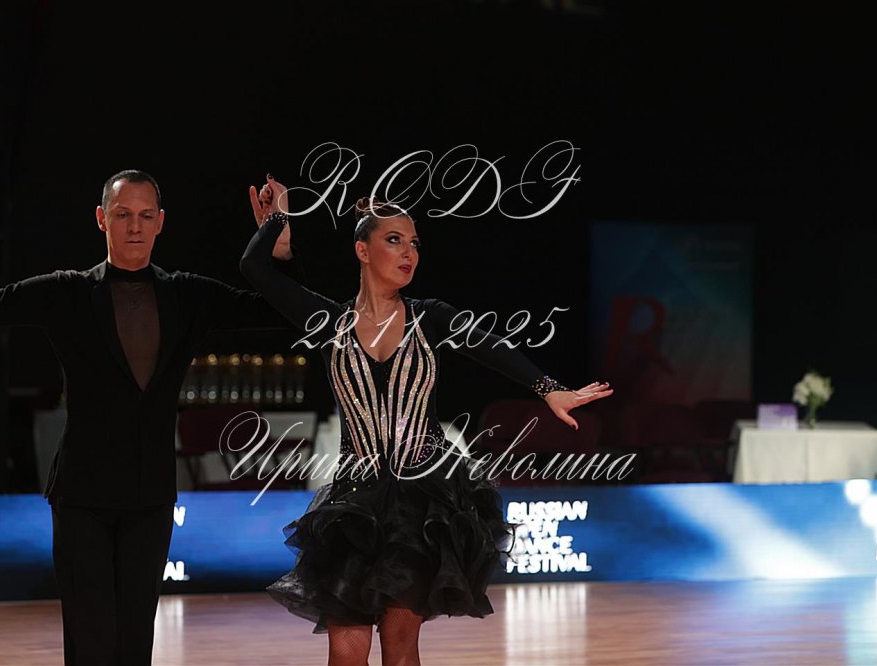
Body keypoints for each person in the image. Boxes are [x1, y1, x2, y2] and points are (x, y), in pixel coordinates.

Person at [0, 170, 298, 666]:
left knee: (134, 643)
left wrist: (277, 245)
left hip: (150, 497)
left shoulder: (187, 295)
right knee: (90, 641)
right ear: (102, 219)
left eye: (145, 216)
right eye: (123, 215)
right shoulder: (66, 292)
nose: (134, 226)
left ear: (161, 222)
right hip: (82, 497)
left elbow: (283, 313)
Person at [240, 175, 613, 666]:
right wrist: (278, 223)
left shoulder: (430, 317)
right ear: (362, 250)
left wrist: (547, 389)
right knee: (346, 654)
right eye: (394, 240)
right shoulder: (329, 323)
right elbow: (254, 269)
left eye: (414, 243)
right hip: (353, 507)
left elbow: (490, 346)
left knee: (400, 648)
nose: (408, 252)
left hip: (421, 505)